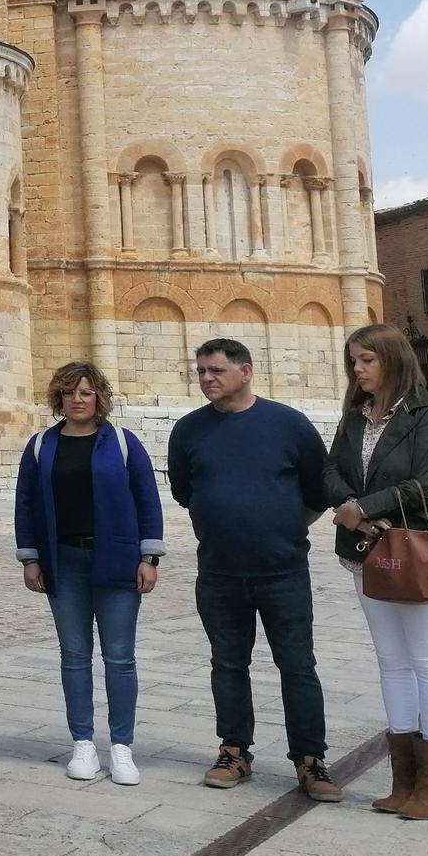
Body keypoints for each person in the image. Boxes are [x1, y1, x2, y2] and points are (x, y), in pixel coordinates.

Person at [167, 338, 339, 802]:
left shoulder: (289, 425)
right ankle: (234, 751)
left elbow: (316, 491)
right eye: (201, 370)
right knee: (227, 664)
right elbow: (185, 491)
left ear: (246, 372)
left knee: (298, 666)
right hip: (219, 572)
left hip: (282, 571)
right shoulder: (187, 431)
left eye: (216, 370)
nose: (206, 379)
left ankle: (310, 759)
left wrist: (280, 526)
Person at [325, 325, 428, 820]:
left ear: (393, 360)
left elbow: (425, 480)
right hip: (366, 550)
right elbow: (330, 471)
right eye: (353, 361)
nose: (358, 369)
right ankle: (403, 780)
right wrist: (348, 506)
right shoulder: (354, 417)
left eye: (367, 360)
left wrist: (363, 506)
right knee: (391, 660)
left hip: (418, 547)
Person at [13, 362, 164, 787]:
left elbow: (147, 500)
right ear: (58, 398)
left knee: (119, 656)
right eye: (68, 393)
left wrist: (149, 557)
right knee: (74, 656)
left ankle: (121, 746)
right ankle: (82, 741)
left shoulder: (122, 442)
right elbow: (25, 503)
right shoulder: (41, 445)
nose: (77, 399)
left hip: (115, 559)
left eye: (85, 392)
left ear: (99, 396)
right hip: (64, 562)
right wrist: (30, 558)